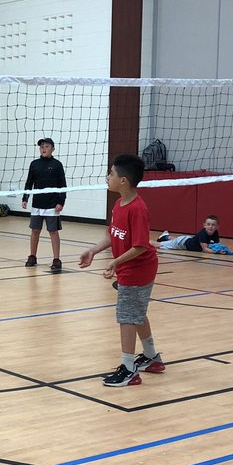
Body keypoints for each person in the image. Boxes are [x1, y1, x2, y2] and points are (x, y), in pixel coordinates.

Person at [78, 153, 163, 387]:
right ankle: (151, 357)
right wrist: (94, 251)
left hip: (138, 270)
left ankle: (129, 370)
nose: (107, 177)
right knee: (137, 312)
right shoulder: (119, 204)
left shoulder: (138, 209)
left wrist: (115, 262)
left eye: (111, 173)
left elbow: (140, 245)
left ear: (123, 180)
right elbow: (112, 234)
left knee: (127, 316)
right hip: (130, 268)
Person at [21, 138, 67, 272]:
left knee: (53, 232)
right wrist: (25, 198)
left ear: (53, 148)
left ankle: (56, 259)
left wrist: (61, 202)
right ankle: (32, 256)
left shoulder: (57, 165)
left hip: (52, 205)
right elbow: (29, 183)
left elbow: (62, 185)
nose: (43, 149)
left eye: (46, 146)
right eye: (41, 147)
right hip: (37, 204)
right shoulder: (34, 164)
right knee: (35, 231)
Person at [156, 216, 233, 254]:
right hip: (182, 244)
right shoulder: (203, 234)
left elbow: (216, 244)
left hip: (188, 240)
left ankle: (165, 236)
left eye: (213, 225)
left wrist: (222, 249)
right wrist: (218, 252)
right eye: (208, 224)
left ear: (217, 227)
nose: (211, 226)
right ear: (204, 225)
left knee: (176, 240)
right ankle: (146, 242)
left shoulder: (215, 232)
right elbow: (205, 249)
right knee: (159, 245)